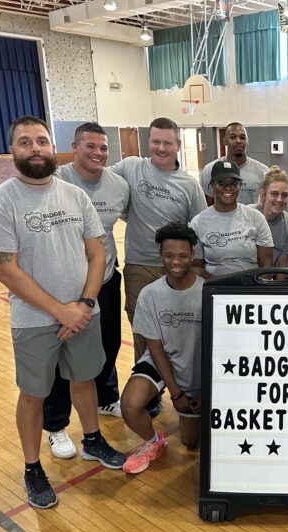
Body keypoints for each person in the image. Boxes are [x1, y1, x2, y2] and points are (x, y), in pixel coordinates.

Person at [0, 116, 125, 510]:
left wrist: (86, 304)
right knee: (33, 394)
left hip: (82, 314)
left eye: (41, 141)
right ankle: (32, 468)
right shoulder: (1, 201)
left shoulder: (74, 196)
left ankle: (92, 440)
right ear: (13, 150)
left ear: (51, 147)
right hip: (34, 321)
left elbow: (97, 253)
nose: (35, 149)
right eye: (25, 143)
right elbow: (4, 268)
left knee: (84, 380)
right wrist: (60, 310)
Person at [42, 122, 131, 460]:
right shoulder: (57, 181)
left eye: (103, 148)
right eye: (90, 146)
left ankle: (108, 397)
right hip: (63, 288)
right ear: (75, 147)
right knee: (60, 358)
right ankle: (56, 425)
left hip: (105, 282)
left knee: (106, 347)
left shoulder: (119, 186)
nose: (97, 153)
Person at [112, 117, 206, 360]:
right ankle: (147, 391)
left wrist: (195, 271)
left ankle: (179, 386)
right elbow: (101, 183)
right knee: (142, 330)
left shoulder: (189, 185)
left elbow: (199, 231)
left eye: (167, 143)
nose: (161, 148)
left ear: (177, 144)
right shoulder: (130, 168)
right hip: (139, 266)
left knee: (175, 330)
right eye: (155, 142)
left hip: (176, 270)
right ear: (148, 141)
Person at [121, 223, 204, 473]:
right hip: (162, 361)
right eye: (169, 256)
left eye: (182, 256)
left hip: (197, 368)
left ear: (192, 256)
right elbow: (155, 347)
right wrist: (176, 394)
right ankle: (153, 442)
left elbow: (217, 347)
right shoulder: (149, 294)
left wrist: (205, 392)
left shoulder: (207, 292)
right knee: (130, 405)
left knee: (191, 444)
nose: (175, 261)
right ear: (161, 256)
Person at [190, 160, 274, 278]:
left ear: (239, 186)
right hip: (215, 288)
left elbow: (266, 266)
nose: (228, 187)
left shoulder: (255, 217)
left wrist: (256, 291)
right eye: (222, 182)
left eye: (233, 183)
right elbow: (196, 268)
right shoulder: (198, 223)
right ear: (212, 185)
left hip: (251, 287)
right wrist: (215, 285)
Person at [200, 122, 269, 206]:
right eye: (233, 137)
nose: (238, 141)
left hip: (250, 218)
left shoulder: (263, 171)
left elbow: (266, 203)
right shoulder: (210, 170)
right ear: (224, 141)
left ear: (247, 141)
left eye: (242, 137)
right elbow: (207, 205)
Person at [257, 165, 288, 268]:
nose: (279, 199)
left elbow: (281, 265)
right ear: (263, 194)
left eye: (284, 195)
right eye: (274, 194)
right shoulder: (247, 215)